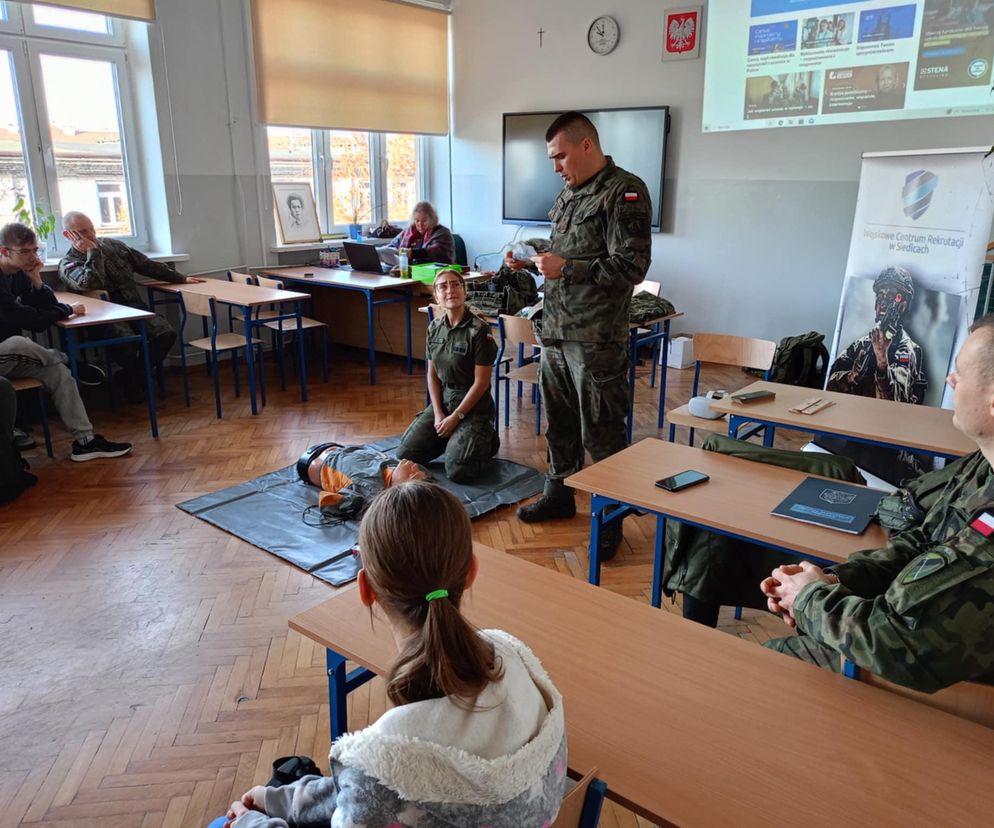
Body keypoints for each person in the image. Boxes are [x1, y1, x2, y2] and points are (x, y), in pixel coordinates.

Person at [223, 481, 567, 827]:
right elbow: (368, 791)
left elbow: (372, 788)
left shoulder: (384, 758)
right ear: (472, 571)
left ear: (366, 589)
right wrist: (285, 800)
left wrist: (250, 822)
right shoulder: (518, 665)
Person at [761, 316, 994, 693]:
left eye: (961, 373)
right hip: (910, 653)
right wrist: (834, 580)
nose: (950, 381)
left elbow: (894, 641)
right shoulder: (984, 464)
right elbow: (920, 542)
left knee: (766, 671)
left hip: (954, 697)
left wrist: (810, 598)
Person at [508, 112, 651, 561]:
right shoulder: (570, 193)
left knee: (602, 431)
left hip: (596, 338)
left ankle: (609, 517)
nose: (556, 166)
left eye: (560, 155)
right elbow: (565, 251)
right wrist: (533, 257)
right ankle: (560, 492)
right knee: (561, 422)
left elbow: (632, 267)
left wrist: (567, 268)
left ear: (587, 145)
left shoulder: (624, 192)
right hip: (557, 329)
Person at [0, 222, 132, 461]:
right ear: (4, 252)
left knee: (57, 372)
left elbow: (45, 307)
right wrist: (66, 310)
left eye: (35, 250)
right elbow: (28, 319)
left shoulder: (19, 275)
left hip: (12, 357)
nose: (33, 257)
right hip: (7, 352)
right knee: (19, 342)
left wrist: (36, 279)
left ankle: (85, 441)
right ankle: (71, 361)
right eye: (25, 252)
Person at [58, 211, 202, 396]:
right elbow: (89, 282)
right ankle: (136, 380)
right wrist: (92, 252)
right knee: (126, 344)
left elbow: (146, 265)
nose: (91, 235)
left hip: (135, 309)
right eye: (83, 232)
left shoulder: (114, 246)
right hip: (104, 319)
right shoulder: (68, 263)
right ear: (68, 235)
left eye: (92, 229)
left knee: (165, 333)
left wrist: (181, 278)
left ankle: (132, 377)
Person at [396, 268, 500, 482]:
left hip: (474, 407)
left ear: (464, 291)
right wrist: (438, 414)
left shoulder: (479, 330)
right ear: (436, 295)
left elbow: (481, 384)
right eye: (443, 286)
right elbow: (432, 376)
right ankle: (454, 439)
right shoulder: (434, 327)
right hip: (445, 401)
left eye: (455, 284)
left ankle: (487, 438)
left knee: (459, 471)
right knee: (405, 454)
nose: (450, 290)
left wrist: (456, 418)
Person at [826, 266, 927, 404]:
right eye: (880, 296)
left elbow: (898, 404)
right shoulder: (862, 344)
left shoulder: (905, 350)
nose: (883, 303)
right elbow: (828, 386)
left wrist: (882, 364)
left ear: (902, 306)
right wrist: (850, 376)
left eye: (891, 297)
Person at [381, 200, 456, 266]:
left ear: (432, 219)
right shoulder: (410, 231)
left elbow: (434, 253)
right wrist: (383, 251)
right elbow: (393, 245)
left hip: (438, 275)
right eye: (417, 220)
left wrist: (410, 253)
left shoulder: (442, 233)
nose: (420, 224)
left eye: (424, 221)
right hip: (407, 273)